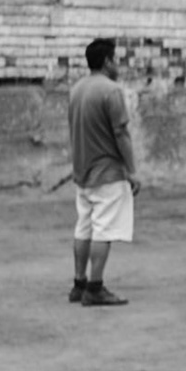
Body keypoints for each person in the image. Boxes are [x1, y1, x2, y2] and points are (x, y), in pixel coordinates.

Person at [69, 37, 141, 305]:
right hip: (107, 171)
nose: (118, 64)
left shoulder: (77, 89)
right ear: (107, 61)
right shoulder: (111, 91)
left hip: (83, 172)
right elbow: (121, 133)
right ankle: (95, 287)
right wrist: (132, 170)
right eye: (116, 59)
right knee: (103, 230)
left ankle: (79, 284)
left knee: (84, 226)